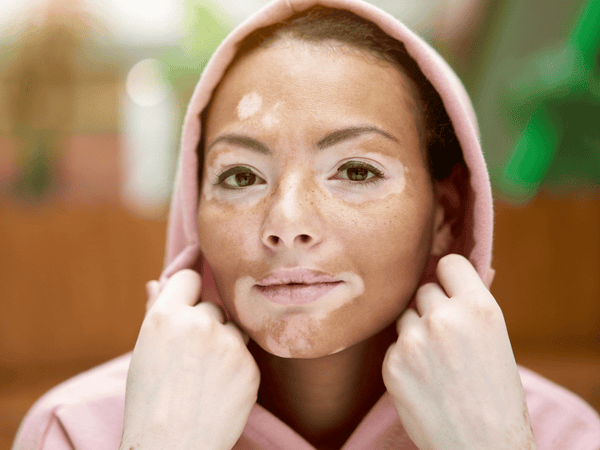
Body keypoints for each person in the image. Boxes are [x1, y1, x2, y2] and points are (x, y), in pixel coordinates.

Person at [12, 0, 600, 449]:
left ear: (446, 212)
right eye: (241, 177)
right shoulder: (76, 431)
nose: (287, 223)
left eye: (355, 170)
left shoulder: (561, 435)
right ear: (194, 210)